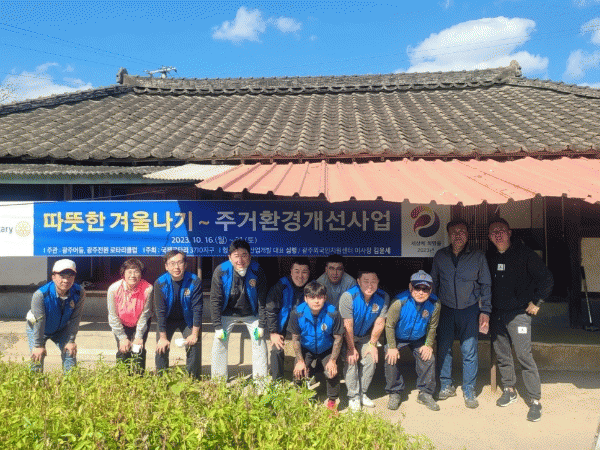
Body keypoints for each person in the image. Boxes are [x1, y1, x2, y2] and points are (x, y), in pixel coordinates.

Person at [487, 217, 553, 422]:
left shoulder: (525, 254)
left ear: (509, 233)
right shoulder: (489, 256)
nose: (498, 234)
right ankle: (509, 390)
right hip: (497, 314)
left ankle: (535, 400)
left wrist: (537, 302)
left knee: (524, 355)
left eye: (502, 230)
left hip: (519, 314)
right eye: (493, 231)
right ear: (489, 237)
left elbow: (547, 278)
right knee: (502, 354)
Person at [431, 219, 492, 409]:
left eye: (462, 231)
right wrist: (432, 309)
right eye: (454, 232)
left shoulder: (478, 256)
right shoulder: (440, 256)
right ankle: (446, 384)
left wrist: (485, 310)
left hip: (470, 309)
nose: (458, 235)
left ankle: (469, 389)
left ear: (468, 235)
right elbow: (434, 283)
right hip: (446, 308)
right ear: (449, 235)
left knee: (469, 349)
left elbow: (486, 284)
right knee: (444, 347)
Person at [210, 239, 268, 382]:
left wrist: (262, 325)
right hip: (227, 313)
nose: (240, 260)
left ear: (250, 256)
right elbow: (215, 300)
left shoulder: (257, 270)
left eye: (244, 255)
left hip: (251, 314)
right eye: (236, 256)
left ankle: (261, 381)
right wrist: (217, 326)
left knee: (260, 342)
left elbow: (262, 300)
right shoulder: (221, 271)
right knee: (219, 342)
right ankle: (218, 381)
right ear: (229, 257)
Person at [384, 270, 441, 411]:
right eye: (417, 288)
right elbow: (389, 325)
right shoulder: (399, 302)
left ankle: (425, 393)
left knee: (428, 358)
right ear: (410, 287)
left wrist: (428, 345)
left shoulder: (435, 303)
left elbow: (432, 326)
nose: (421, 292)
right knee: (390, 356)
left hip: (418, 337)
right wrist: (392, 346)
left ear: (430, 290)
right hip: (398, 337)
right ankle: (395, 392)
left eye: (425, 289)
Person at [339, 269, 389, 411]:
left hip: (365, 336)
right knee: (351, 360)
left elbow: (380, 322)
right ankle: (353, 396)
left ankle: (362, 393)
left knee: (370, 359)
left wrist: (372, 344)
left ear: (378, 282)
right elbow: (347, 325)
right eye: (366, 281)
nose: (370, 285)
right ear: (358, 281)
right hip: (347, 336)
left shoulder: (383, 297)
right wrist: (351, 348)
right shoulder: (348, 296)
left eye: (373, 281)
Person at [289, 281, 343, 411]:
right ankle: (301, 398)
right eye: (312, 297)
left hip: (326, 348)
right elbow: (295, 339)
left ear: (325, 298)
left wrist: (332, 361)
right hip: (306, 348)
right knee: (299, 371)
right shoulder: (297, 313)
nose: (316, 301)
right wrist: (300, 361)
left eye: (320, 297)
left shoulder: (333, 313)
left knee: (331, 372)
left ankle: (332, 402)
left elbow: (338, 338)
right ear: (306, 298)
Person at [26, 259, 85, 373]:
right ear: (53, 277)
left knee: (70, 352)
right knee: (37, 358)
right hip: (38, 328)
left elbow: (75, 318)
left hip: (61, 329)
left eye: (70, 276)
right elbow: (39, 321)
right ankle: (35, 382)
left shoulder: (79, 292)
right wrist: (38, 345)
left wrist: (71, 340)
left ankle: (70, 382)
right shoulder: (41, 295)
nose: (66, 280)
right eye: (62, 276)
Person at [154, 250, 203, 379]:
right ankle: (162, 378)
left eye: (180, 262)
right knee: (161, 345)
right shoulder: (160, 283)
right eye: (172, 263)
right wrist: (162, 338)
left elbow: (197, 309)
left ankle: (192, 378)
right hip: (167, 319)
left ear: (185, 265)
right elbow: (160, 312)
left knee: (194, 344)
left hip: (187, 320)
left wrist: (194, 334)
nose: (176, 267)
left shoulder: (194, 281)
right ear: (166, 266)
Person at [265, 257, 311, 381]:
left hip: (303, 326)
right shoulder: (281, 285)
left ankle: (299, 382)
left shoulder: (312, 287)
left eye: (304, 272)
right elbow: (270, 309)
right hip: (282, 324)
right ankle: (277, 382)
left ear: (309, 273)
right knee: (276, 349)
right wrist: (273, 332)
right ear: (291, 271)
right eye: (297, 271)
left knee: (305, 349)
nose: (300, 276)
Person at [107, 258, 153, 373]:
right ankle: (122, 377)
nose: (133, 275)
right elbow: (112, 315)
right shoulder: (113, 289)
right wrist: (122, 337)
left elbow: (145, 314)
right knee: (123, 349)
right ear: (123, 274)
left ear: (141, 274)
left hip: (140, 321)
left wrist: (139, 336)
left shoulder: (148, 289)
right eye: (129, 272)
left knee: (138, 349)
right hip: (121, 322)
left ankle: (139, 377)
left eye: (136, 271)